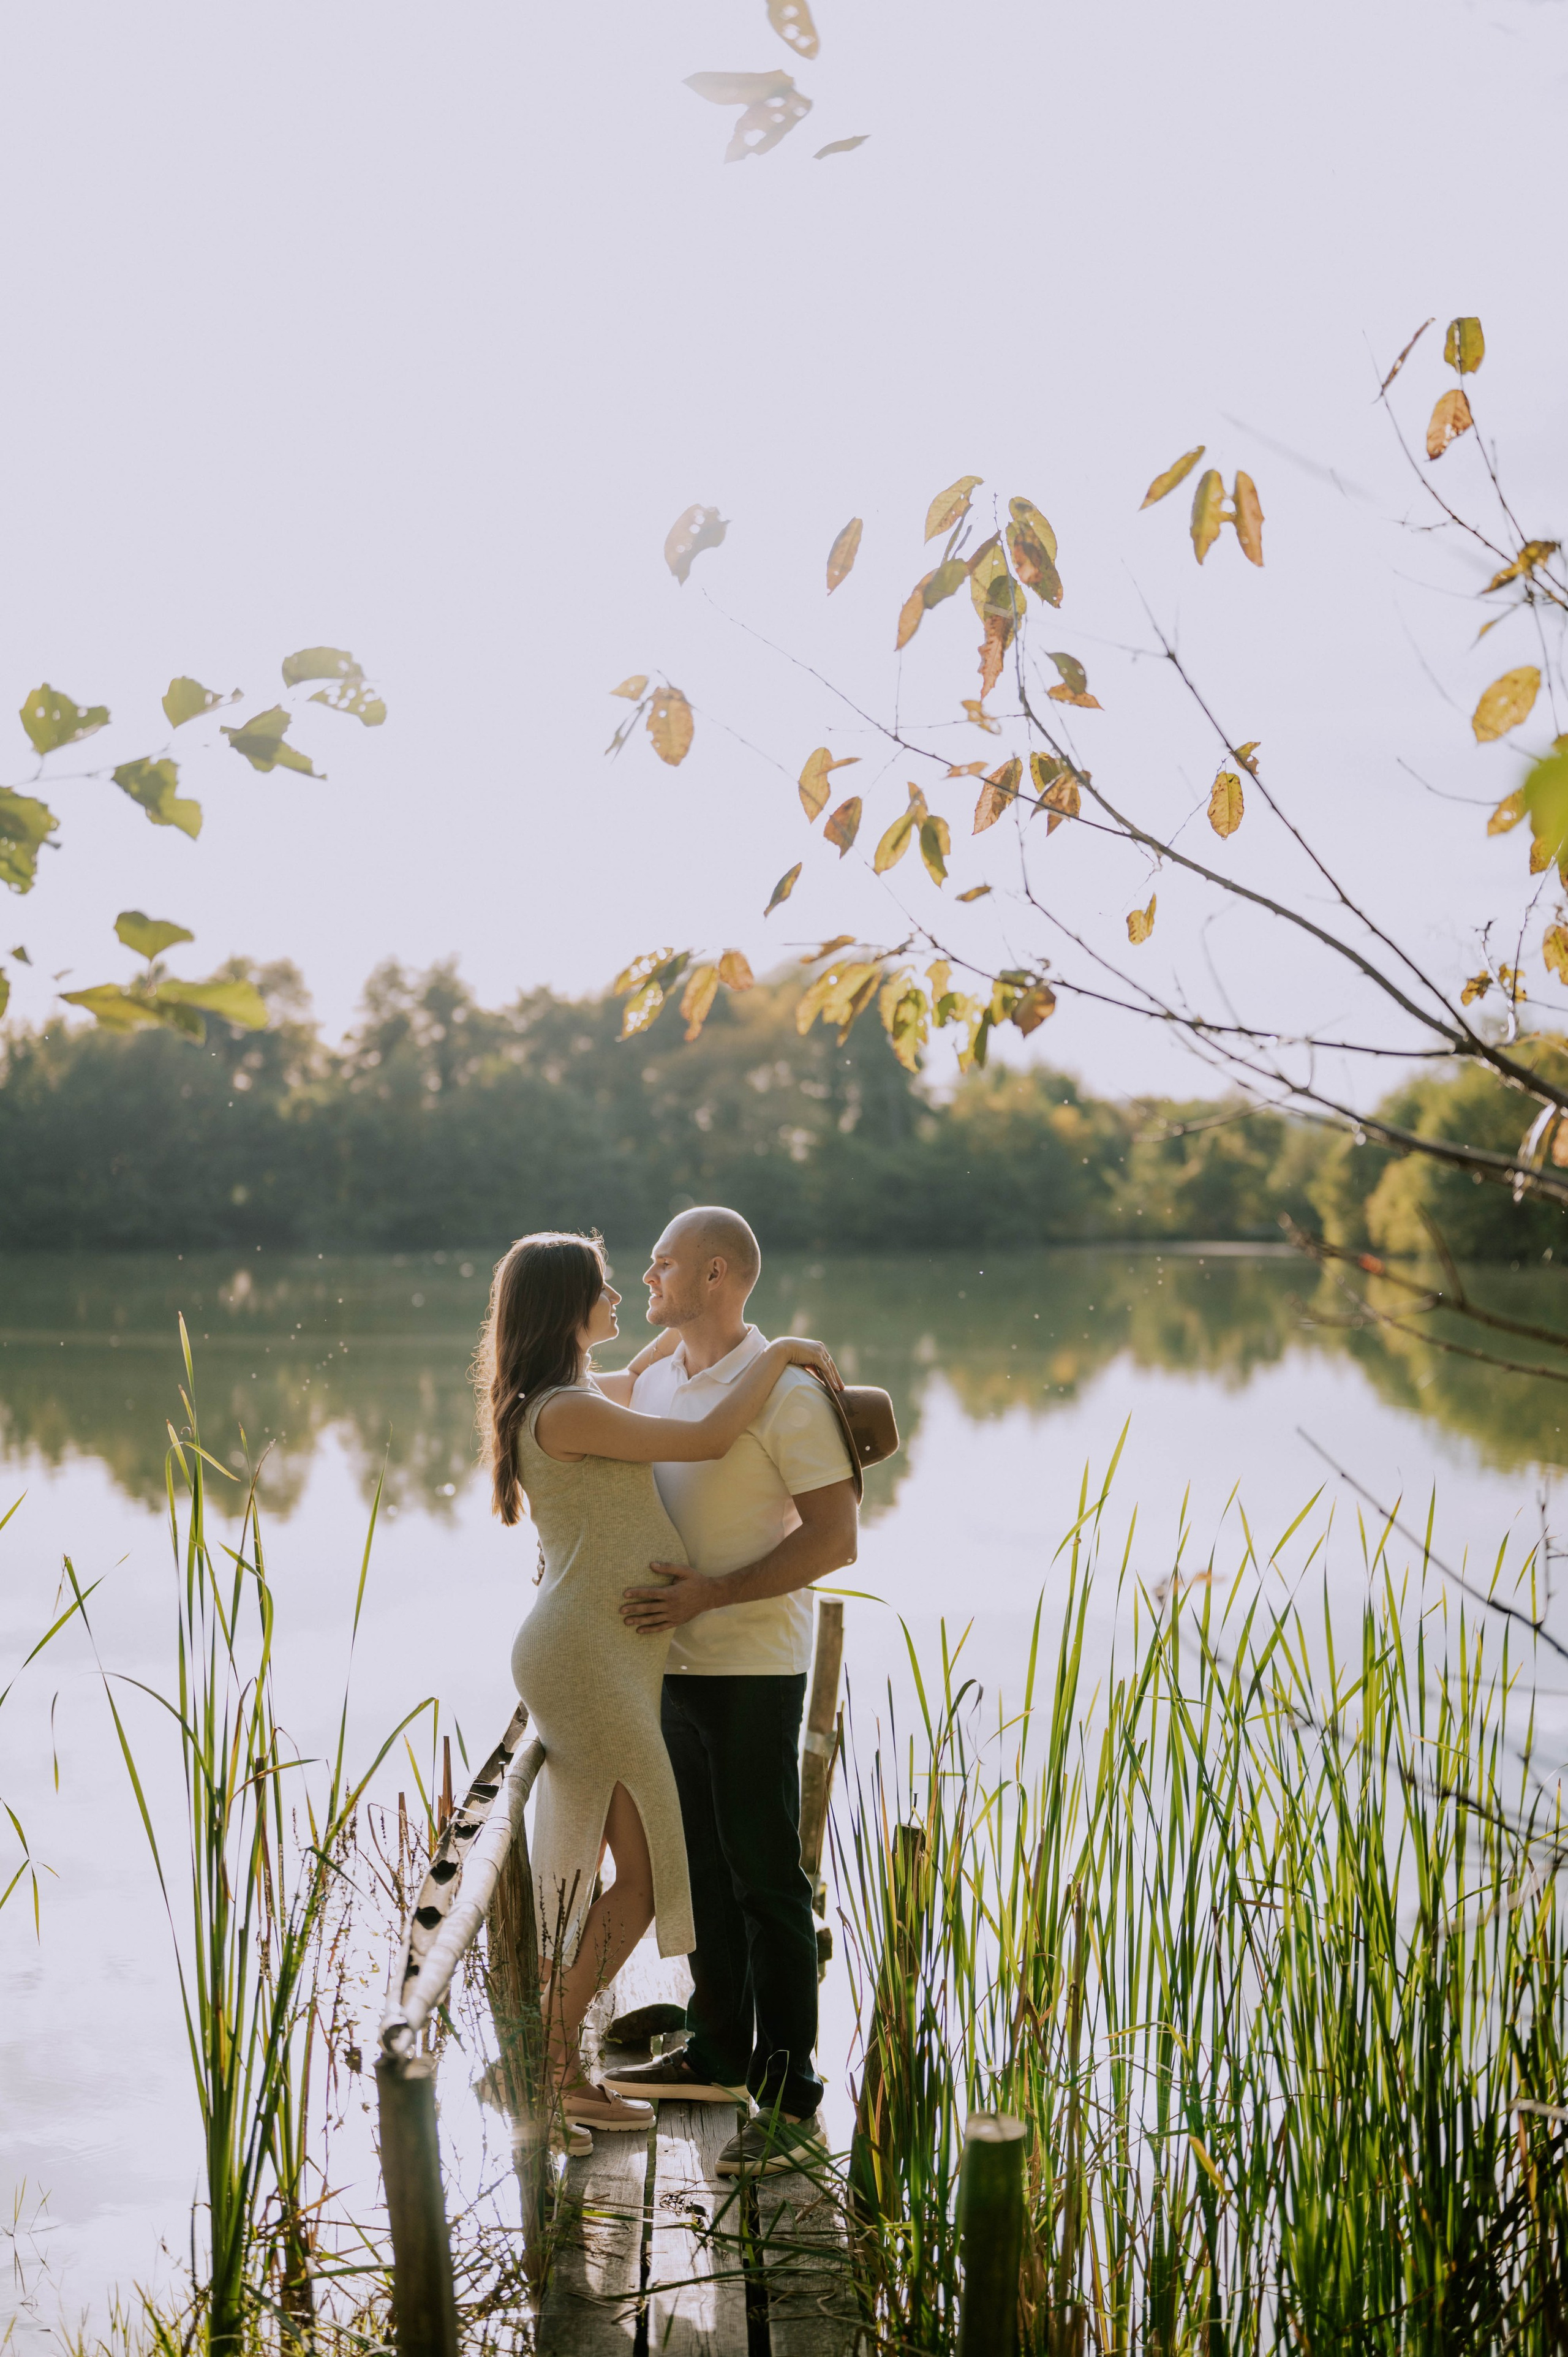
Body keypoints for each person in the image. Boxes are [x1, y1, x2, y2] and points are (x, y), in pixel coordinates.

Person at [477, 1228, 839, 2143]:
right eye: (607, 1283)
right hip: (601, 1660)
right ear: (568, 1309)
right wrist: (787, 1348)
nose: (631, 1284)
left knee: (686, 1871)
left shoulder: (585, 1392)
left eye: (650, 1270)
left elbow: (660, 1372)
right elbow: (713, 1433)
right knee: (647, 1879)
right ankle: (553, 2067)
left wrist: (745, 1351)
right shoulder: (575, 1405)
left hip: (637, 1656)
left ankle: (577, 2069)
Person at [600, 1207, 859, 2180]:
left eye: (662, 1262)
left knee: (765, 1881)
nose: (647, 1275)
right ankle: (717, 2055)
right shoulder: (661, 1372)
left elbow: (835, 1541)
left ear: (716, 1274)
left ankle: (789, 2100)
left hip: (752, 1666)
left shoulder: (790, 1395)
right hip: (669, 1665)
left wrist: (715, 1594)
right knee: (700, 1872)